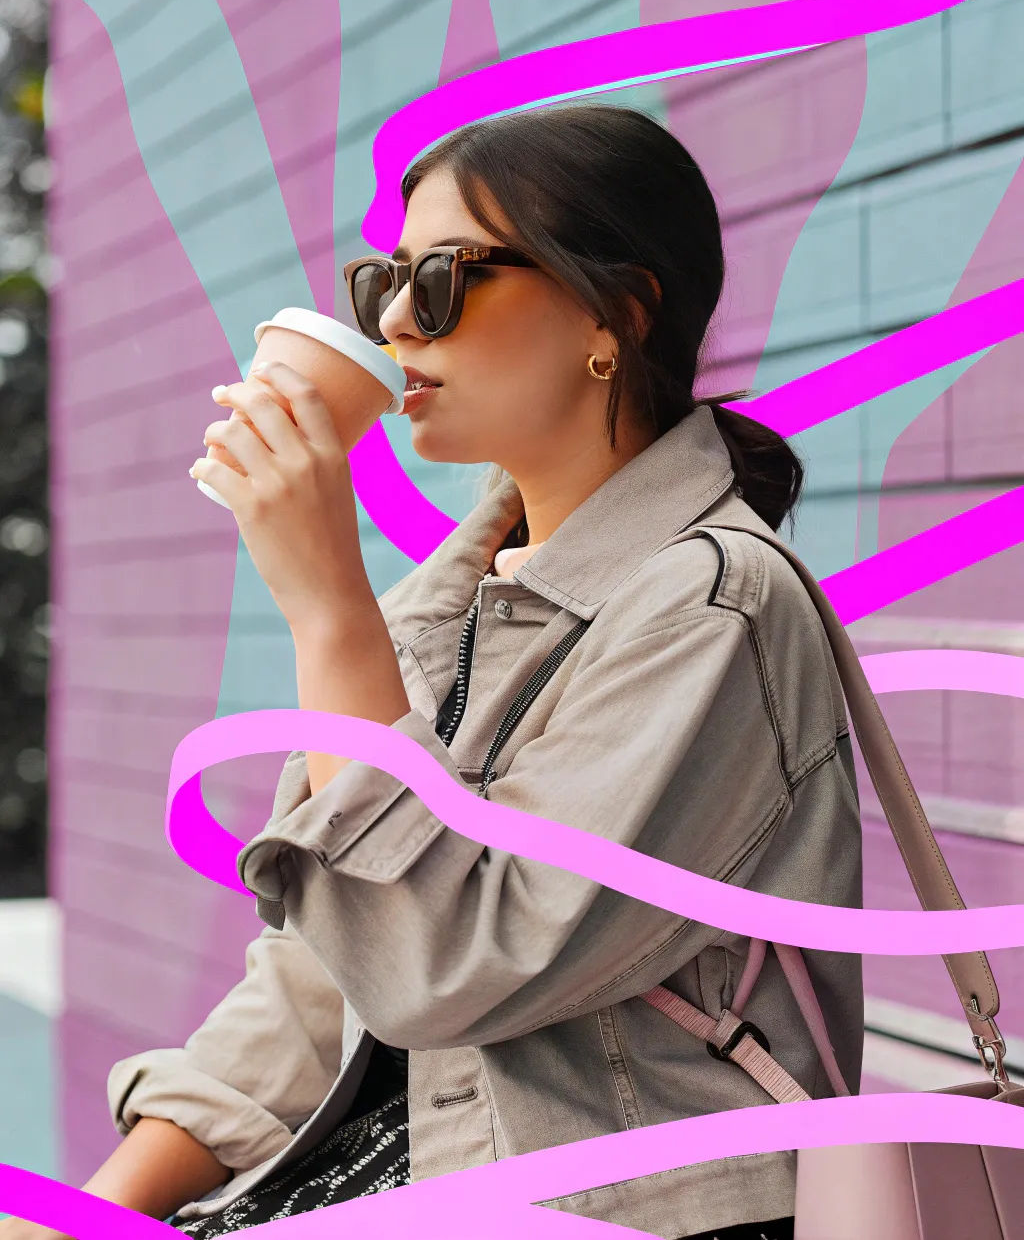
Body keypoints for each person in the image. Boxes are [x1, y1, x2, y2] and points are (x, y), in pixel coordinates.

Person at [2, 104, 862, 1240]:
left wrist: (326, 607)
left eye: (445, 280)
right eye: (387, 282)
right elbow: (326, 971)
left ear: (614, 313)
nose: (397, 322)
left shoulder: (711, 607)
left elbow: (434, 964)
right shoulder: (445, 609)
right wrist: (91, 1215)